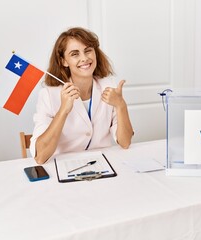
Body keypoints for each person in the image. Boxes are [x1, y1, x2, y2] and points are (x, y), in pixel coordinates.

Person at [30, 27, 134, 164]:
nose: (84, 58)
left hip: (102, 166)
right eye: (75, 54)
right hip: (65, 167)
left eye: (88, 50)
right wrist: (63, 111)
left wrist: (121, 105)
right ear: (64, 61)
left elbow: (125, 143)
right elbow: (40, 156)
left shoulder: (109, 86)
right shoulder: (49, 94)